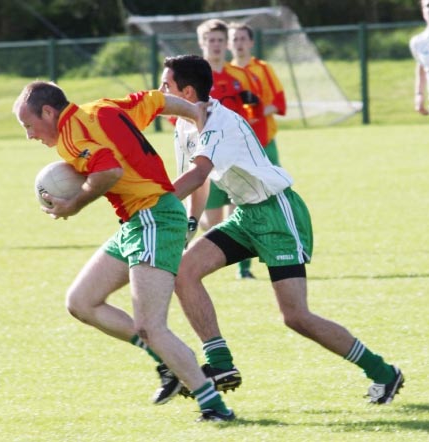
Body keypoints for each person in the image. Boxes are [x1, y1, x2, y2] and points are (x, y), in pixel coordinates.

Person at [157, 54, 404, 406]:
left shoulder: (219, 123)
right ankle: (221, 364)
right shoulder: (183, 126)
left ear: (188, 91)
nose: (159, 91)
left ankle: (383, 372)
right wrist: (190, 223)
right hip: (246, 217)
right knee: (184, 271)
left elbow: (197, 175)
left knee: (296, 317)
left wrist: (151, 203)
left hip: (277, 214)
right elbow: (198, 187)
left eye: (166, 85)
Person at [12, 81, 235, 422]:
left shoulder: (71, 136)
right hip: (138, 221)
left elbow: (109, 170)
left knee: (151, 326)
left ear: (48, 111)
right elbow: (156, 100)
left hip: (153, 218)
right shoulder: (102, 107)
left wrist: (73, 204)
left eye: (29, 125)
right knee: (81, 301)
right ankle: (169, 365)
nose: (30, 135)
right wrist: (194, 112)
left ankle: (213, 405)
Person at [197, 18, 264, 279]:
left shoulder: (238, 75)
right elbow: (176, 113)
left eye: (220, 41)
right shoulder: (195, 75)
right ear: (202, 43)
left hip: (235, 154)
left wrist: (251, 104)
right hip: (206, 155)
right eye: (210, 40)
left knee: (239, 210)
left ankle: (243, 270)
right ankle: (192, 223)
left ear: (227, 45)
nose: (215, 45)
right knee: (214, 222)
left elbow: (254, 111)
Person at [228, 22, 286, 166]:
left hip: (264, 138)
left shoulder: (263, 68)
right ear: (228, 44)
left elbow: (279, 102)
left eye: (243, 39)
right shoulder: (225, 73)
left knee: (277, 185)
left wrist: (253, 115)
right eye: (235, 39)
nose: (239, 43)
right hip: (237, 141)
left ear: (251, 43)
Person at [410, 0, 429, 115]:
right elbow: (422, 66)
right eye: (427, 5)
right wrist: (419, 94)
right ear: (423, 11)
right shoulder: (417, 42)